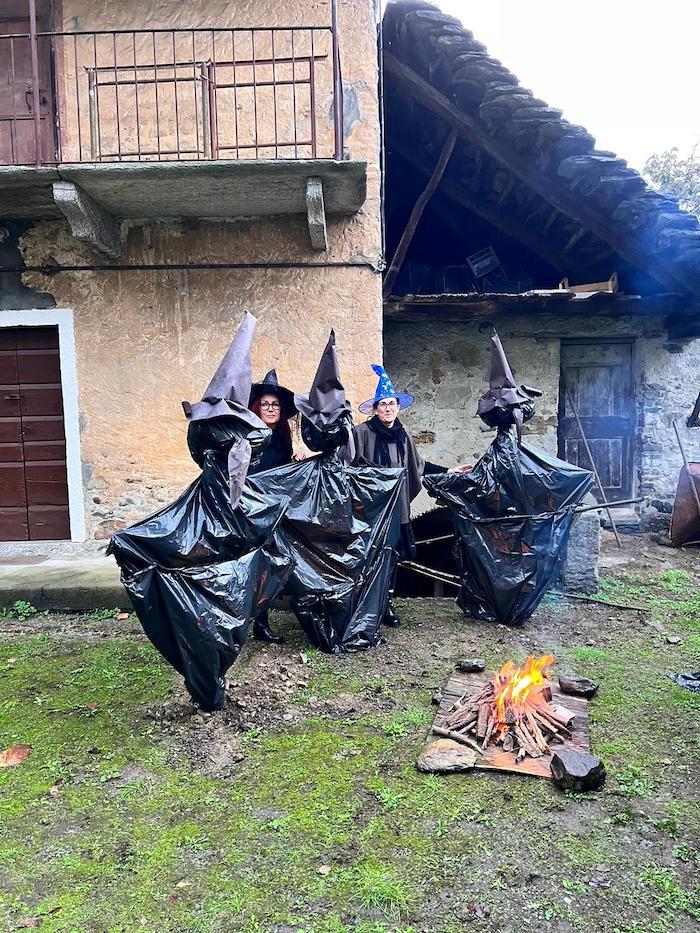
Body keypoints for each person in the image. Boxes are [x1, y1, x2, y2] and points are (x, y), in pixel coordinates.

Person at [347, 364, 471, 627]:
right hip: (370, 511)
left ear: (398, 407)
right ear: (375, 409)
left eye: (392, 404)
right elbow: (346, 465)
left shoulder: (403, 437)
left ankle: (386, 605)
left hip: (396, 510)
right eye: (383, 404)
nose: (388, 408)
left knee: (391, 556)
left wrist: (448, 471)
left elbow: (418, 466)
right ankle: (363, 606)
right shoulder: (361, 434)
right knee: (368, 555)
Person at [247, 369, 301, 643]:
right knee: (258, 565)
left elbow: (282, 475)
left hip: (276, 511)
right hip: (252, 512)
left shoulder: (282, 438)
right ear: (257, 407)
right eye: (265, 404)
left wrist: (297, 460)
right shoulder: (248, 439)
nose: (270, 409)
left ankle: (262, 622)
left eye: (275, 404)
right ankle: (259, 622)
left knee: (272, 564)